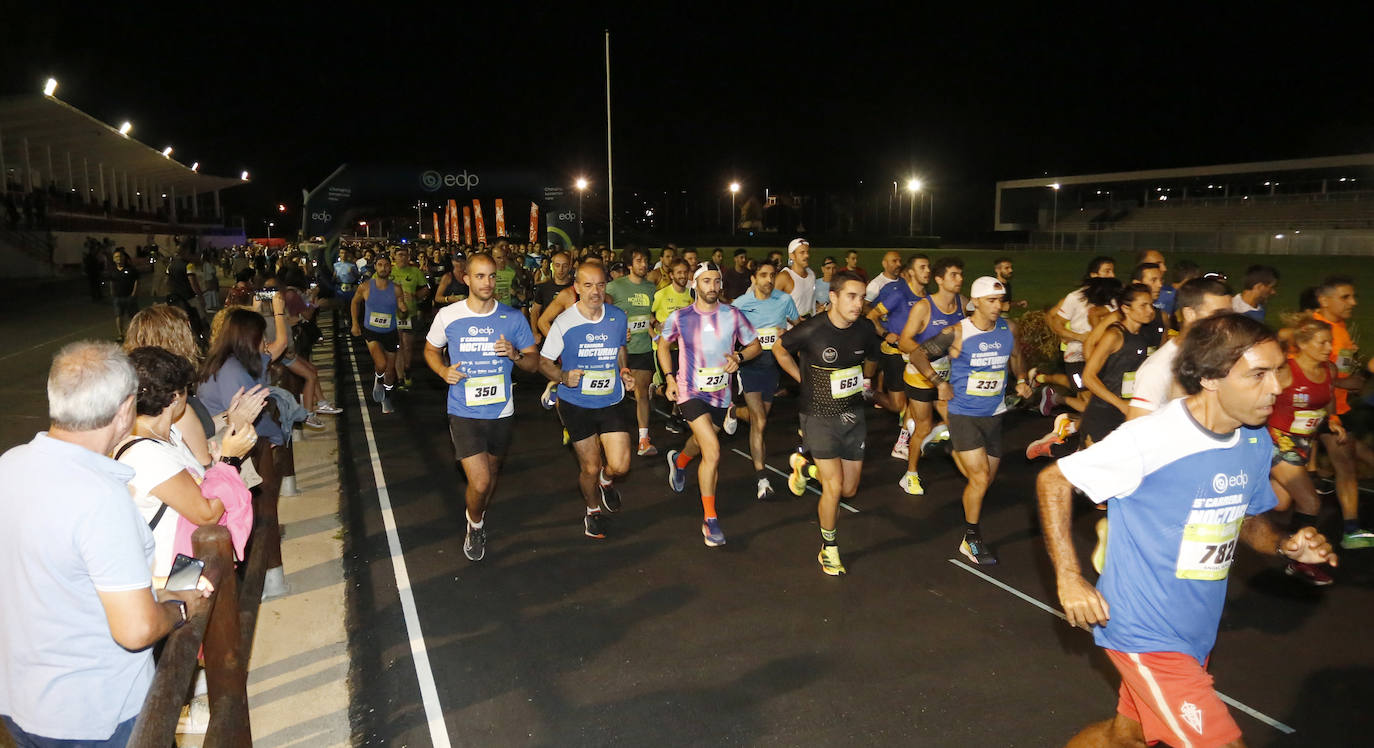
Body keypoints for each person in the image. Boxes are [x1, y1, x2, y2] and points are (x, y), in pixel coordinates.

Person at [1037, 313, 1336, 748]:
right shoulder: (1151, 438)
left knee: (1127, 736)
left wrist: (1287, 546)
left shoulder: (1254, 439)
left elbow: (1246, 518)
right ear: (1212, 379)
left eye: (1278, 371)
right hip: (1143, 632)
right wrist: (1068, 575)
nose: (1277, 387)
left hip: (1195, 631)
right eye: (1258, 374)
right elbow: (1054, 480)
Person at [0, 341, 211, 745]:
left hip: (20, 699)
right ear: (125, 408)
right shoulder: (101, 496)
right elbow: (135, 630)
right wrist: (179, 606)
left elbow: (56, 575)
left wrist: (152, 592)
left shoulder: (10, 465)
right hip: (96, 712)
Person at [424, 253, 539, 562]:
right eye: (480, 276)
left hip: (501, 412)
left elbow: (533, 363)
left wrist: (515, 355)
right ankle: (475, 524)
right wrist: (442, 371)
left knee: (492, 471)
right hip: (464, 411)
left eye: (491, 276)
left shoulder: (513, 318)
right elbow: (431, 349)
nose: (487, 282)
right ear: (467, 279)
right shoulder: (448, 315)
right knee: (481, 480)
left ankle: (479, 511)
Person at [772, 271, 882, 575]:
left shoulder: (864, 329)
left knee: (848, 489)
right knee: (833, 486)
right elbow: (779, 349)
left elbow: (873, 355)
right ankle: (829, 548)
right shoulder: (812, 330)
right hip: (817, 415)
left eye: (861, 297)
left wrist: (867, 380)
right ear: (832, 297)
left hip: (853, 416)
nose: (858, 303)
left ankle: (804, 468)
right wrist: (800, 379)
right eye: (851, 296)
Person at [115, 347, 258, 577]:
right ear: (174, 397)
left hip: (191, 559)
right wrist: (231, 460)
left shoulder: (168, 436)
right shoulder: (145, 454)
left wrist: (221, 460)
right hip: (172, 575)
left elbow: (200, 486)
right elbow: (206, 513)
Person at [659, 262, 762, 547]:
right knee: (713, 452)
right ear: (695, 284)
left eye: (717, 281)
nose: (713, 287)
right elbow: (663, 344)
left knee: (700, 442)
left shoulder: (732, 315)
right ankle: (710, 520)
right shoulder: (680, 317)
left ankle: (679, 462)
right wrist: (669, 378)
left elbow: (755, 345)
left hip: (720, 394)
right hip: (690, 391)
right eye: (706, 281)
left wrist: (739, 358)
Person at [539, 263, 635, 539]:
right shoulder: (564, 322)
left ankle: (607, 480)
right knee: (589, 467)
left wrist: (625, 372)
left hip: (611, 399)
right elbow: (544, 362)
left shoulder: (617, 317)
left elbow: (619, 349)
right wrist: (562, 375)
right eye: (589, 285)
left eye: (601, 285)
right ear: (577, 288)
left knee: (620, 466)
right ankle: (592, 511)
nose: (596, 291)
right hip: (576, 404)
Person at [944, 277, 1033, 565]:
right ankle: (971, 538)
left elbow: (1017, 355)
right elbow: (920, 354)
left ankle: (952, 448)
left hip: (994, 415)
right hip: (963, 413)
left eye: (1001, 300)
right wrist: (937, 381)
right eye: (992, 301)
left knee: (985, 480)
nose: (999, 306)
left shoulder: (1009, 329)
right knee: (980, 479)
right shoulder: (957, 332)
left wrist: (1020, 380)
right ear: (977, 301)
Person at [1267, 314, 1341, 585]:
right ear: (1305, 344)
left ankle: (1239, 503)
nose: (1328, 348)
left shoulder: (1329, 370)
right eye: (1321, 342)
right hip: (1277, 439)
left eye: (1329, 343)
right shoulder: (1287, 370)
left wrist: (1332, 420)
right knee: (1310, 501)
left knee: (1281, 503)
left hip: (1302, 443)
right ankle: (1299, 561)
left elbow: (1327, 400)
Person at [729, 259, 801, 499]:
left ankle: (734, 413)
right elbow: (729, 331)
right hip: (749, 366)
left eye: (772, 275)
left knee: (759, 418)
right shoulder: (741, 304)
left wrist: (788, 333)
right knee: (759, 421)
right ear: (753, 279)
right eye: (763, 275)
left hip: (772, 368)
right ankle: (762, 478)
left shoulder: (784, 300)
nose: (769, 280)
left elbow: (799, 327)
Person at [1312, 275, 1374, 549]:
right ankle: (1351, 531)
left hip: (1342, 407)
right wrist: (1343, 382)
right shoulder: (1315, 330)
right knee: (1346, 468)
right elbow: (1306, 371)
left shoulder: (1339, 327)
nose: (1353, 302)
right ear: (1324, 300)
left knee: (1359, 452)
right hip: (1325, 410)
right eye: (1345, 297)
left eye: (1353, 296)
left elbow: (1339, 366)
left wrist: (1352, 379)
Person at [895, 256, 965, 495]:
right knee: (923, 427)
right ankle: (910, 474)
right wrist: (926, 359)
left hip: (946, 374)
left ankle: (935, 435)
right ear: (939, 279)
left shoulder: (962, 304)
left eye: (961, 275)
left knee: (956, 420)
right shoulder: (924, 307)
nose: (959, 279)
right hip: (920, 375)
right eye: (953, 275)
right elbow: (904, 340)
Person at [1126, 277, 1233, 421]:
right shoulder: (1158, 368)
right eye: (1217, 315)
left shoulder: (1227, 356)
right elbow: (1136, 427)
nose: (1227, 323)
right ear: (1190, 314)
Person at [866, 253, 931, 459]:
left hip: (915, 355)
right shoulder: (898, 294)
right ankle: (870, 393)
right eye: (922, 267)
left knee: (912, 401)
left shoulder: (927, 296)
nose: (928, 271)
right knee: (897, 406)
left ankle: (901, 443)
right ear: (911, 272)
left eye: (929, 267)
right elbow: (872, 315)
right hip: (894, 354)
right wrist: (885, 334)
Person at [1078, 284, 1155, 446]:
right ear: (1126, 309)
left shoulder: (1144, 334)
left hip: (1128, 412)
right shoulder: (1114, 335)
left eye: (1151, 304)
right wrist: (1121, 405)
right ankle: (1054, 443)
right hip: (1104, 413)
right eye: (1143, 306)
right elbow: (1088, 377)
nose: (1150, 310)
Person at [606, 248, 660, 456]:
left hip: (643, 347)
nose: (643, 265)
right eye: (638, 261)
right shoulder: (615, 287)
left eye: (645, 261)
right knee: (614, 395)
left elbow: (652, 315)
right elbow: (601, 310)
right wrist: (617, 326)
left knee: (642, 392)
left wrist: (657, 323)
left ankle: (643, 440)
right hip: (620, 350)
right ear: (630, 264)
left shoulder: (650, 288)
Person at [351, 255, 408, 415]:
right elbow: (355, 302)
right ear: (375, 267)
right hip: (372, 331)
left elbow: (402, 314)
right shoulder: (366, 287)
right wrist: (355, 323)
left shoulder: (396, 289)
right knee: (381, 364)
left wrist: (403, 309)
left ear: (390, 268)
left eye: (386, 265)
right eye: (380, 265)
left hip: (390, 332)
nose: (383, 268)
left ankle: (386, 397)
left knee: (391, 373)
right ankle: (378, 378)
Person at [650, 258, 695, 434]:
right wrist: (655, 330)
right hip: (664, 349)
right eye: (679, 273)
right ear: (671, 275)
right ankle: (655, 389)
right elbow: (648, 315)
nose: (683, 276)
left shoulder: (691, 295)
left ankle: (675, 418)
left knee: (682, 385)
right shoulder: (661, 295)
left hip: (684, 349)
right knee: (674, 385)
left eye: (685, 272)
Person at [389, 249, 427, 389]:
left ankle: (407, 369)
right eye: (400, 255)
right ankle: (400, 377)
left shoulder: (415, 272)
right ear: (394, 257)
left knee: (407, 345)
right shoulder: (389, 271)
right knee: (398, 344)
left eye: (405, 255)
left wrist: (416, 295)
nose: (403, 258)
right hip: (393, 315)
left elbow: (425, 289)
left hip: (409, 314)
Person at [530, 251, 573, 343]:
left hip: (570, 334)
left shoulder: (577, 288)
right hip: (547, 334)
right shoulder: (543, 287)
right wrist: (534, 333)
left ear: (569, 267)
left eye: (564, 266)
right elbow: (535, 312)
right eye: (557, 265)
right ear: (552, 266)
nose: (561, 269)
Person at [774, 238, 816, 321]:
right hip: (790, 329)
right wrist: (792, 319)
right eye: (802, 252)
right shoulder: (784, 277)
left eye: (807, 252)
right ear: (792, 256)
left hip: (809, 326)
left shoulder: (812, 274)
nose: (807, 255)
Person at [109, 248, 140, 341]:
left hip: (129, 297)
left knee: (133, 316)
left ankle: (135, 334)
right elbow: (111, 282)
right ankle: (120, 334)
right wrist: (112, 292)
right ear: (113, 259)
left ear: (124, 258)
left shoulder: (131, 269)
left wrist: (134, 293)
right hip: (118, 297)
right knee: (118, 316)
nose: (118, 258)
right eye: (116, 257)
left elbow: (136, 281)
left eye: (120, 256)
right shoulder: (113, 270)